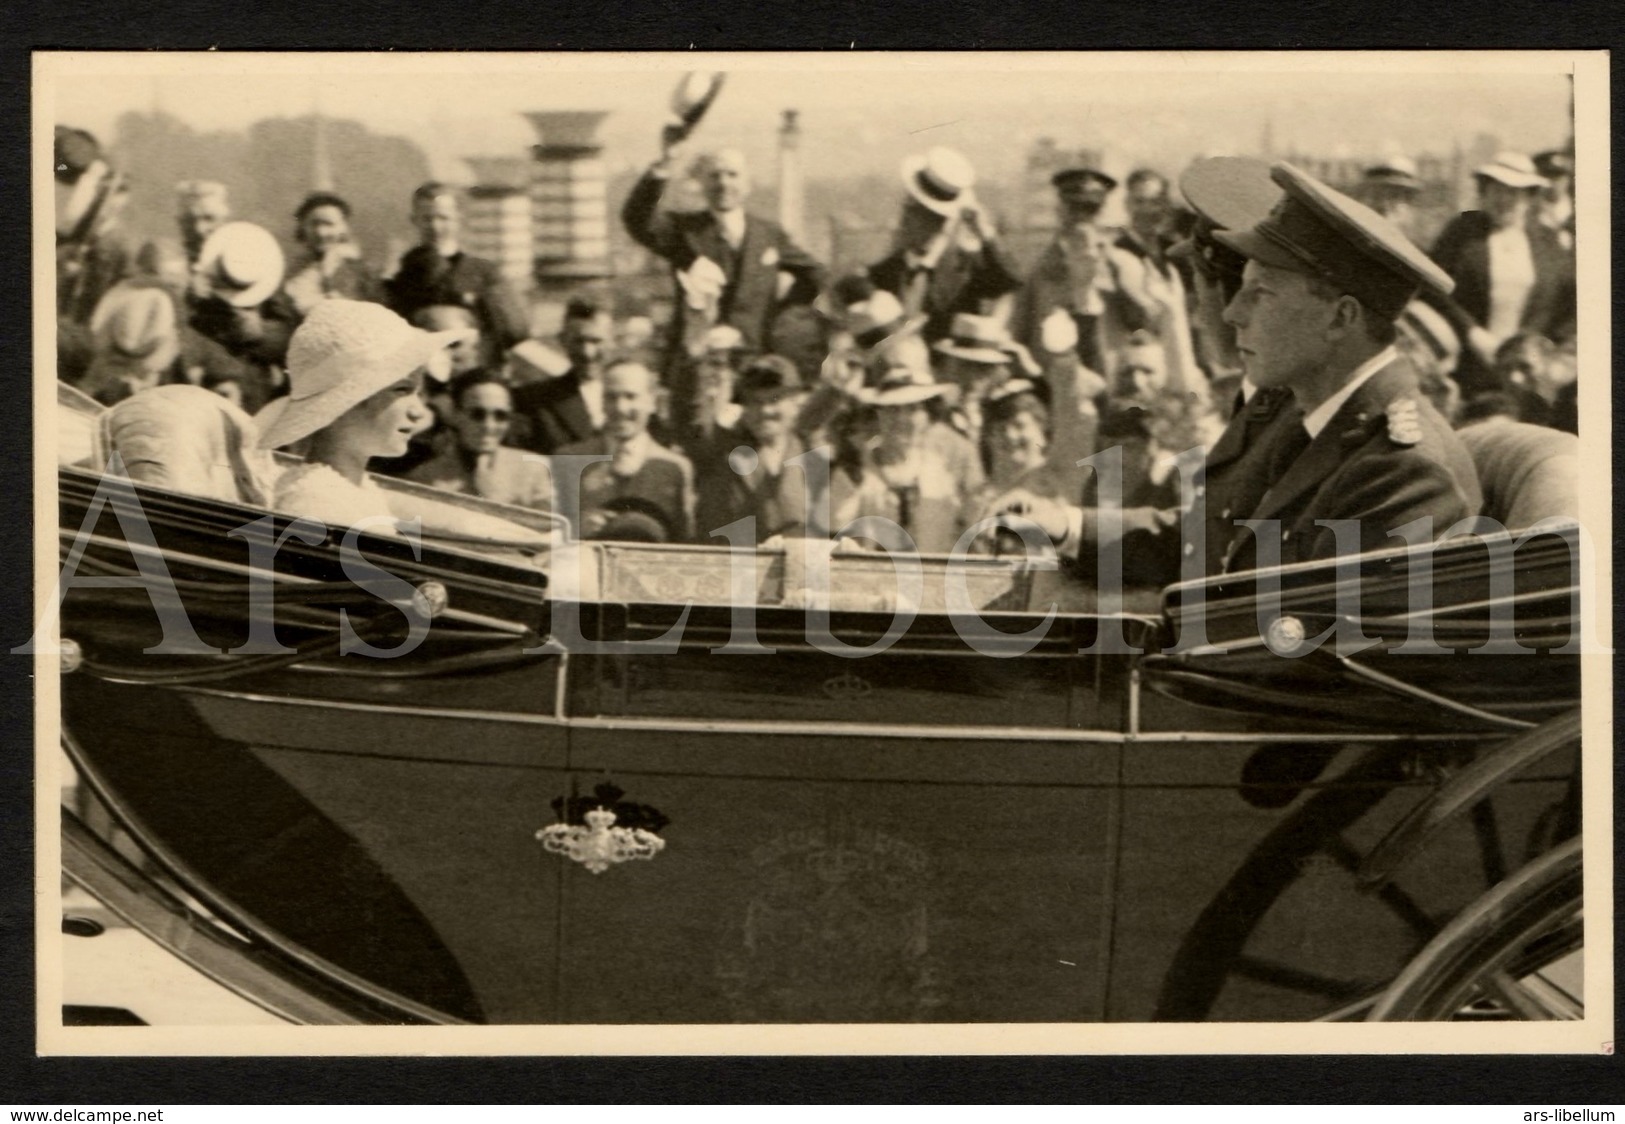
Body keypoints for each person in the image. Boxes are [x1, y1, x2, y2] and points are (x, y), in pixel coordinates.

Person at [998, 159, 1482, 581]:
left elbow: (1312, 665)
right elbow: (1207, 542)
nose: (1233, 313)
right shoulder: (1300, 413)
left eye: (1263, 293)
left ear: (1341, 317)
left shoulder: (1404, 468)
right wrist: (1069, 525)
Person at [622, 140, 826, 423]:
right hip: (696, 371)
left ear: (747, 183)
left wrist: (779, 311)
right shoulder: (685, 230)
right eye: (714, 175)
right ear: (702, 184)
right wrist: (662, 167)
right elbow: (637, 219)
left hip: (755, 369)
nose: (723, 183)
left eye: (732, 175)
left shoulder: (768, 234)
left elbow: (814, 275)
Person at [256, 300, 473, 532]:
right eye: (402, 390)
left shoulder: (355, 491)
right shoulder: (318, 504)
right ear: (347, 403)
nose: (418, 411)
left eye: (419, 393)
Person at [1426, 151, 1576, 397]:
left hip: (1527, 378)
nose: (1503, 199)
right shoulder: (1463, 230)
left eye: (1513, 192)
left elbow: (1567, 307)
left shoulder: (1550, 243)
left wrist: (1546, 355)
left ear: (1529, 197)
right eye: (1496, 189)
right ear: (1484, 192)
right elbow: (1433, 287)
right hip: (1462, 368)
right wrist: (1472, 333)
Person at [387, 182, 564, 379]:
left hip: (475, 373)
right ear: (414, 220)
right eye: (427, 219)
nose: (435, 226)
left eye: (443, 218)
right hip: (423, 374)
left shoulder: (484, 273)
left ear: (458, 219)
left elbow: (514, 330)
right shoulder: (403, 276)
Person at [867, 147, 1023, 347]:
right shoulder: (881, 274)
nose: (910, 223)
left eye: (933, 220)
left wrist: (985, 233)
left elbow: (1012, 279)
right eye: (911, 212)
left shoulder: (965, 270)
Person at [554, 360, 696, 542]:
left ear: (652, 402)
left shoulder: (675, 469)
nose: (620, 408)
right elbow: (547, 535)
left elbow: (685, 542)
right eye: (611, 397)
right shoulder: (569, 460)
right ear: (602, 402)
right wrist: (574, 530)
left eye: (631, 396)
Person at [1011, 162, 1120, 372]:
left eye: (1090, 209)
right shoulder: (1038, 264)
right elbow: (1020, 326)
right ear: (1059, 209)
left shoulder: (1118, 262)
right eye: (1074, 207)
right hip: (1050, 377)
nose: (1081, 216)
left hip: (1106, 377)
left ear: (1102, 211)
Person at [691, 354, 807, 543]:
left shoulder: (809, 452)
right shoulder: (723, 450)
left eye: (774, 400)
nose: (765, 411)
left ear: (795, 403)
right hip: (731, 567)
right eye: (755, 402)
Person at [187, 220, 300, 413]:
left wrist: (262, 332)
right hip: (212, 382)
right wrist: (190, 299)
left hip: (257, 388)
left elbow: (291, 337)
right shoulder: (199, 292)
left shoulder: (271, 290)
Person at [404, 369, 554, 512]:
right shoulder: (424, 478)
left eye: (500, 416)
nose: (489, 426)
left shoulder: (537, 470)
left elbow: (553, 532)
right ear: (456, 415)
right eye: (477, 414)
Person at [511, 298, 611, 455]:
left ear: (612, 340)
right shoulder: (533, 401)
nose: (587, 352)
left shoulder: (636, 397)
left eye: (596, 341)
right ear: (563, 340)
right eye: (578, 341)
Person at [283, 191, 386, 314]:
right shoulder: (293, 272)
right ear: (302, 228)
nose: (321, 232)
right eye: (313, 224)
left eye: (329, 224)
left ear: (343, 228)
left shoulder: (363, 272)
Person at [1359, 156, 1424, 239]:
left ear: (1409, 202)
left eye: (1394, 196)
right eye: (1376, 195)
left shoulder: (1420, 244)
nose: (1384, 204)